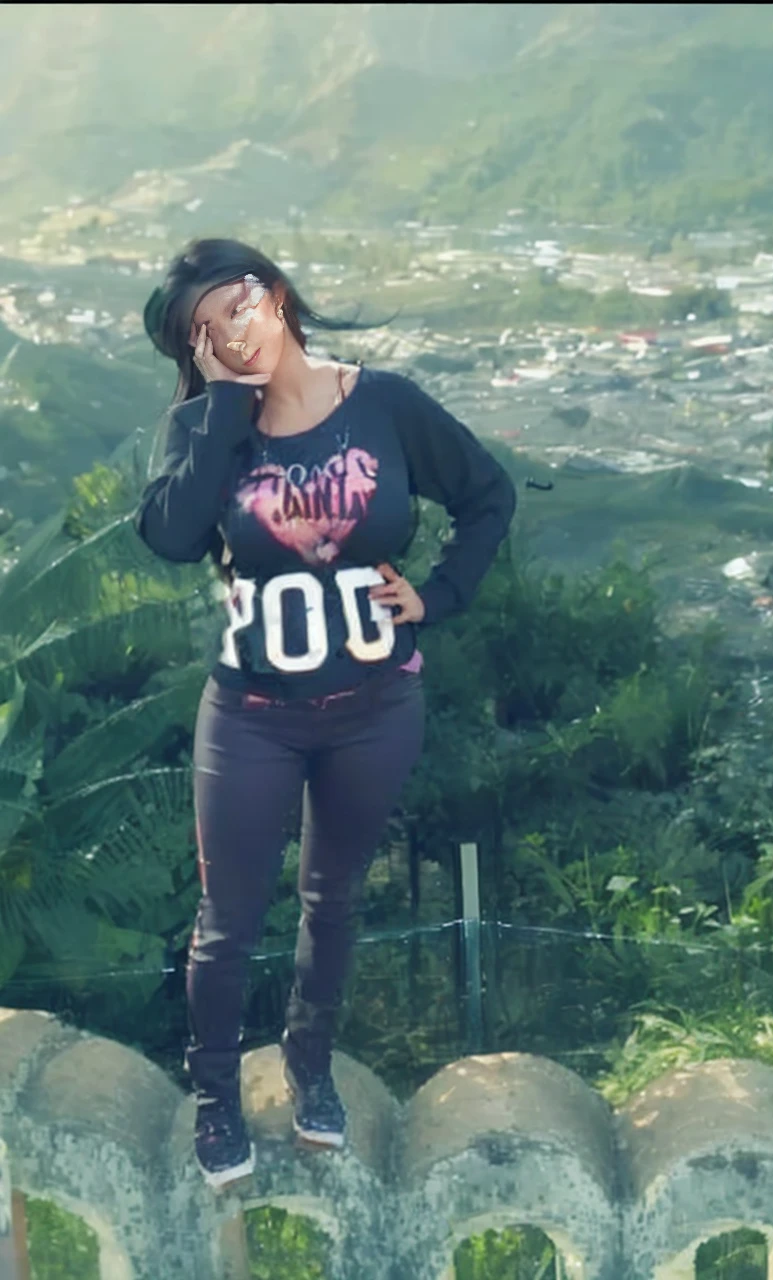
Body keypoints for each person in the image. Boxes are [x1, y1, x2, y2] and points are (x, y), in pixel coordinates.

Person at [135, 238, 516, 1188]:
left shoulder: (385, 403)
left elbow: (487, 494)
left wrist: (439, 594)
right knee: (227, 921)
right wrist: (225, 404)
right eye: (202, 332)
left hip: (377, 706)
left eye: (237, 305)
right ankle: (217, 1095)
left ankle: (311, 1067)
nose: (228, 332)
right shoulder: (206, 426)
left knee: (333, 901)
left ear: (277, 295)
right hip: (252, 713)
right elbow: (174, 537)